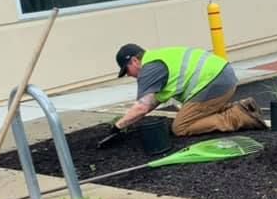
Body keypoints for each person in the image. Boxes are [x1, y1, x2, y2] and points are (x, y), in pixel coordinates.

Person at [99, 43, 266, 147]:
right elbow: (151, 103)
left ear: (135, 61)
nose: (128, 75)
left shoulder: (149, 69)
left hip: (214, 82)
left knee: (180, 127)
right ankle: (244, 107)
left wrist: (118, 126)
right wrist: (127, 122)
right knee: (196, 112)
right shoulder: (158, 59)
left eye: (126, 70)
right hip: (222, 78)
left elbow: (142, 106)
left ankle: (238, 116)